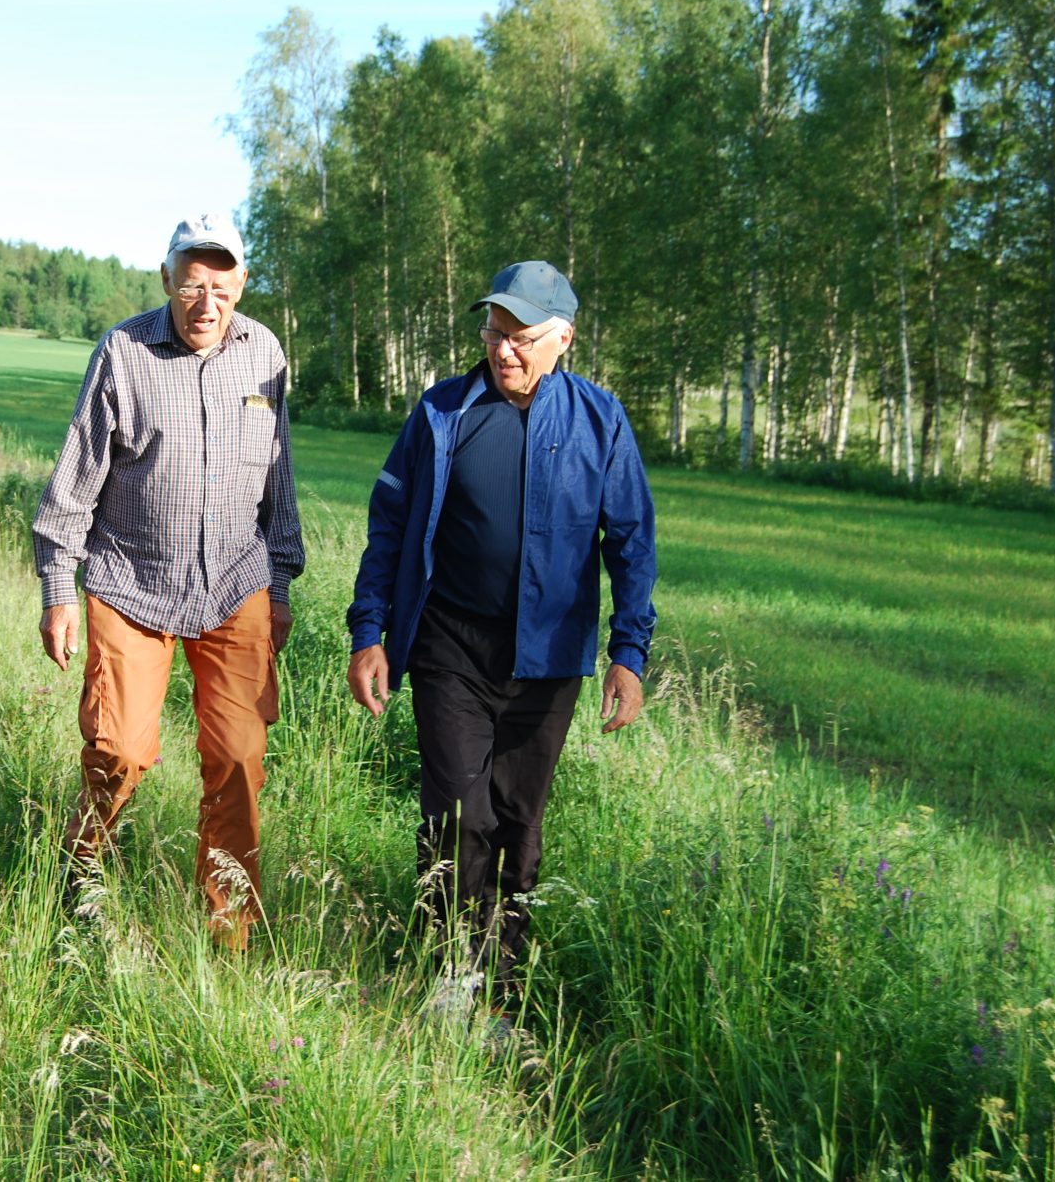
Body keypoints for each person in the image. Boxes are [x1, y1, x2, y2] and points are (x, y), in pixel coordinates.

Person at [345, 260, 656, 1018]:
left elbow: (632, 542)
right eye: (494, 331)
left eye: (520, 336)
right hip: (450, 646)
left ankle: (501, 989)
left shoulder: (600, 421)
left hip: (548, 661)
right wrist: (369, 630)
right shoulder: (441, 413)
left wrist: (628, 653)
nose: (502, 348)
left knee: (519, 824)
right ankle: (450, 977)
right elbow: (389, 522)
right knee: (459, 813)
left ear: (563, 340)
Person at [32, 214, 303, 949]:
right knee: (118, 750)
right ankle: (83, 869)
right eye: (192, 285)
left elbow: (279, 478)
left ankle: (230, 925)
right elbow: (75, 478)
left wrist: (278, 585)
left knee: (240, 758)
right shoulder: (123, 352)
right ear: (167, 282)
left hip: (236, 582)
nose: (206, 302)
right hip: (132, 581)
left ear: (241, 286)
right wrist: (59, 588)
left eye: (221, 286)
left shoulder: (266, 355)